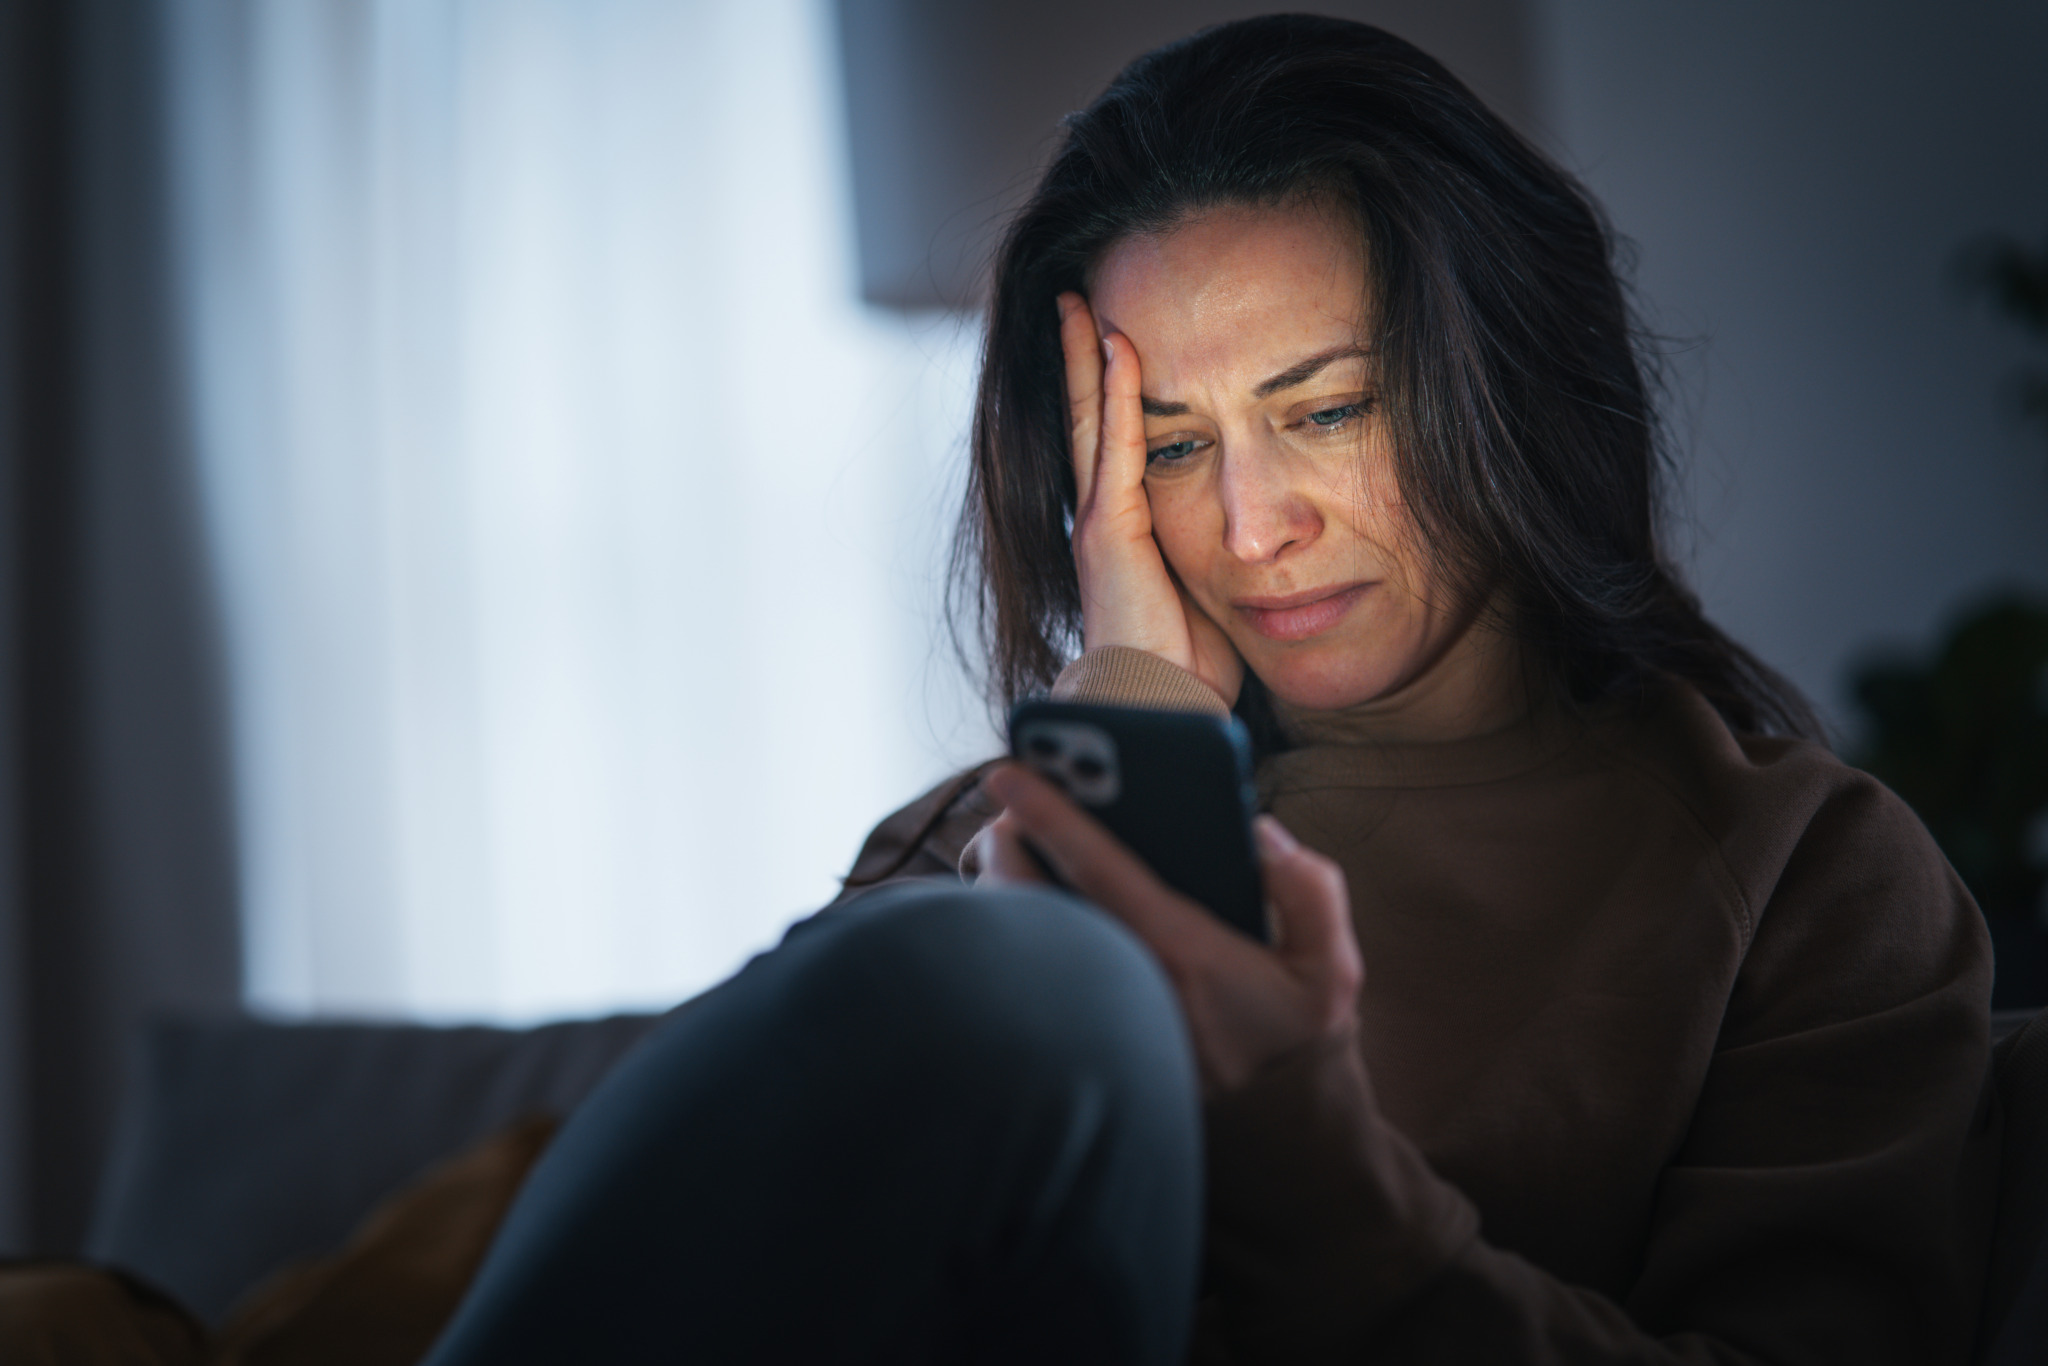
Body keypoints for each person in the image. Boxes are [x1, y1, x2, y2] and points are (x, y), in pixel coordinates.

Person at [424, 15, 1998, 1364]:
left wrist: (1314, 1174)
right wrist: (1132, 714)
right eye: (1172, 445)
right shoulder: (1003, 827)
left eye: (1324, 410)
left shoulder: (1809, 877)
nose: (1252, 528)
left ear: (1505, 378)